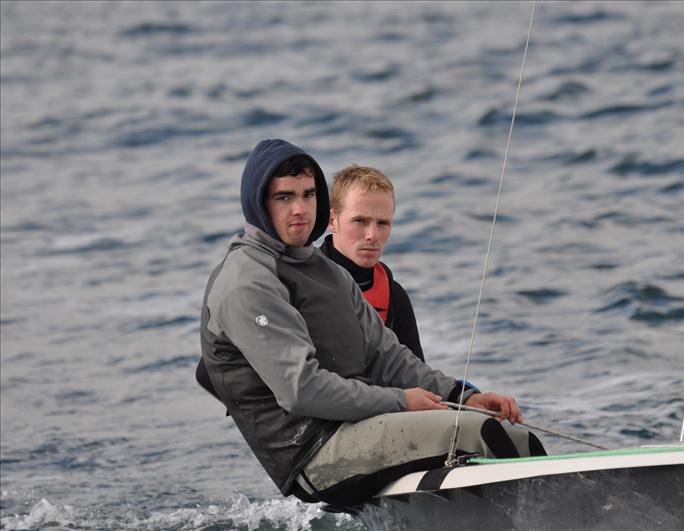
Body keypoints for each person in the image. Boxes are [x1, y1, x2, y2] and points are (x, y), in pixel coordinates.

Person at [199, 138, 545, 506]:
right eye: (284, 197)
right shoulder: (246, 280)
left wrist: (465, 395)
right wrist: (400, 402)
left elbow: (389, 357)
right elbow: (300, 388)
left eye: (308, 194)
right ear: (259, 202)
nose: (300, 209)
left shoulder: (329, 273)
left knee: (516, 436)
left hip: (363, 427)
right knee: (481, 434)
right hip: (314, 454)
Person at [321, 165, 424, 361]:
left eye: (383, 223)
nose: (373, 236)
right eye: (360, 221)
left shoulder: (395, 296)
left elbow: (418, 378)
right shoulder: (302, 284)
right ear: (332, 220)